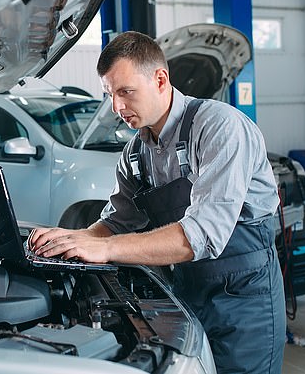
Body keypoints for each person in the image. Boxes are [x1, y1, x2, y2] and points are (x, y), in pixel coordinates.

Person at [28, 31, 286, 373]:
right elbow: (117, 222)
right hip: (186, 294)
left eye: (125, 92)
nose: (117, 107)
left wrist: (105, 249)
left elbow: (202, 234)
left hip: (244, 299)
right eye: (110, 95)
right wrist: (73, 239)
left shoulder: (219, 127)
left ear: (160, 79)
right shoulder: (135, 153)